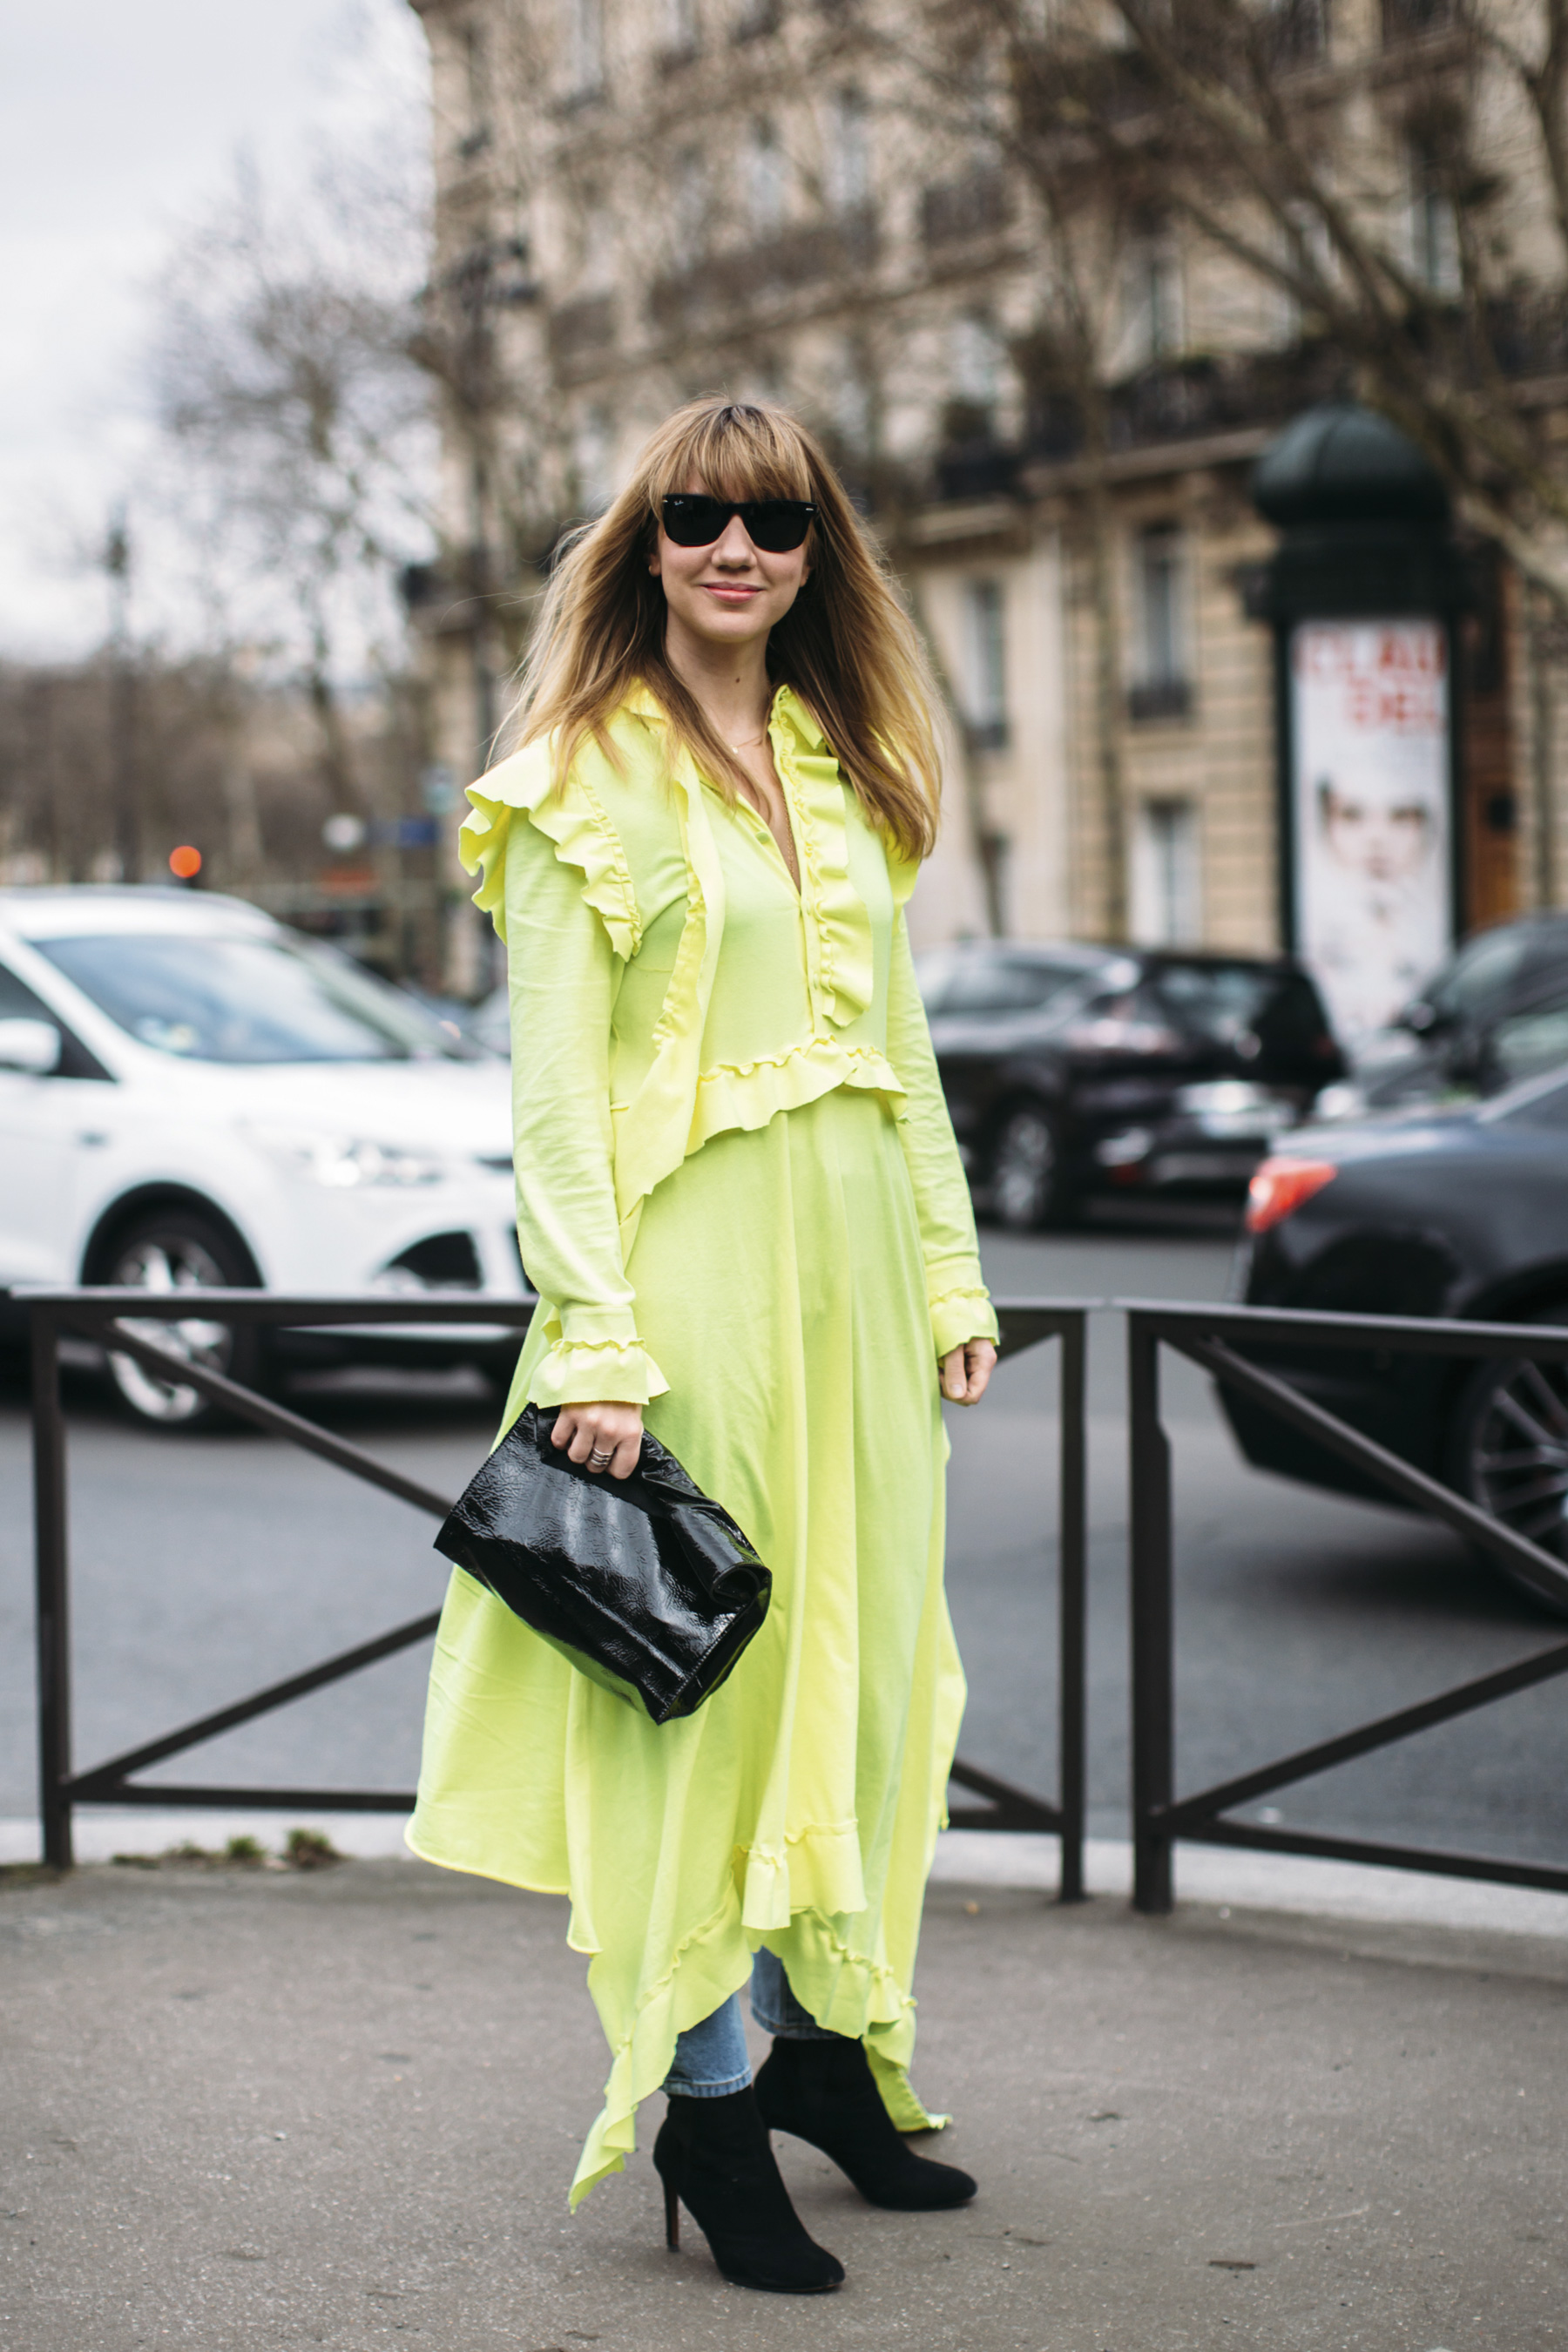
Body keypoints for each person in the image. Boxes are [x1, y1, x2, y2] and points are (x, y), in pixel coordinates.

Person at [408, 397, 999, 2295]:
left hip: (855, 1296)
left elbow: (899, 1054)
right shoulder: (577, 772)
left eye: (776, 520)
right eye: (698, 515)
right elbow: (558, 1100)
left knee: (866, 1679)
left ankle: (829, 2055)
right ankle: (713, 2102)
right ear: (644, 540)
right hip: (691, 1298)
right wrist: (591, 1344)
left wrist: (953, 1275)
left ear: (818, 550)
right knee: (719, 1705)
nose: (736, 548)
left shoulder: (841, 757)